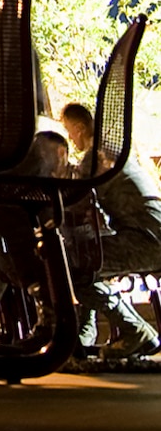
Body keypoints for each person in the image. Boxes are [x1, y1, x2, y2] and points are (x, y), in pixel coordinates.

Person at [59, 101, 161, 360]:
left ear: (80, 128)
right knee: (85, 258)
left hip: (147, 241)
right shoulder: (112, 152)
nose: (70, 138)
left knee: (74, 267)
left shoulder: (96, 158)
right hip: (147, 234)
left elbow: (70, 201)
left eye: (70, 131)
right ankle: (85, 334)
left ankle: (134, 330)